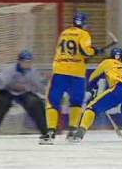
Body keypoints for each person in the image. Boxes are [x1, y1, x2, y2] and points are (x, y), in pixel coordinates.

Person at [40, 12, 103, 144]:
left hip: (60, 70)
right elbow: (85, 51)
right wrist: (94, 51)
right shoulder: (84, 34)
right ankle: (72, 131)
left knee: (53, 101)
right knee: (76, 101)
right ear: (85, 23)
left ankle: (50, 132)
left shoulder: (64, 33)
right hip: (77, 73)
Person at [0, 50, 48, 138]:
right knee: (1, 103)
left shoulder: (33, 72)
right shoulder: (9, 71)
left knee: (35, 103)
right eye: (25, 62)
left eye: (29, 62)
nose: (27, 64)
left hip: (24, 93)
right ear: (19, 61)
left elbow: (40, 85)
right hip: (7, 91)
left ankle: (46, 130)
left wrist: (45, 92)